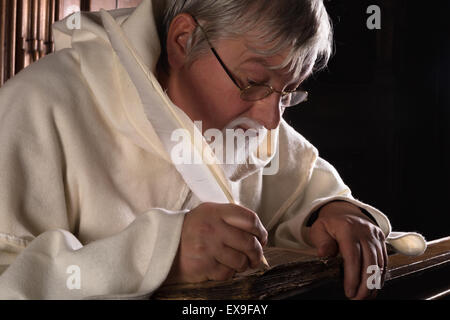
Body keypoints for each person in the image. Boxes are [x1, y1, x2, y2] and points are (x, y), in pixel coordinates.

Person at [0, 0, 394, 300]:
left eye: (289, 91)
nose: (272, 119)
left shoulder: (253, 117)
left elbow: (304, 186)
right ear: (183, 41)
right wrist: (159, 256)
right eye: (254, 81)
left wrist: (332, 211)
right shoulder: (39, 106)